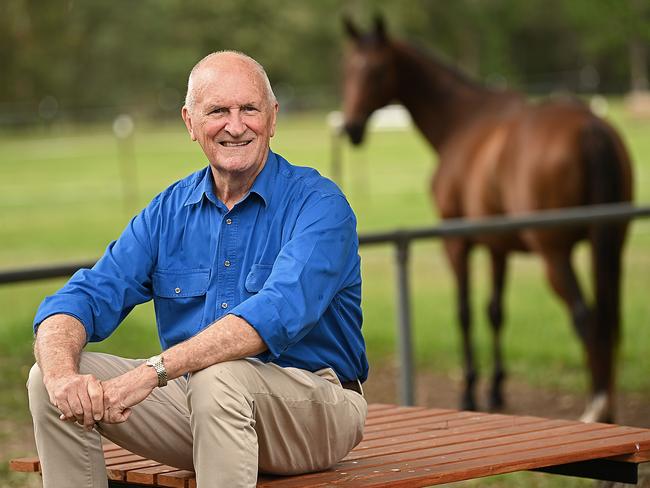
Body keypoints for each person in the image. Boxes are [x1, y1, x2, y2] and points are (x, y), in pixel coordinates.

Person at [27, 51, 369, 488]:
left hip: (317, 409)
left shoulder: (320, 205)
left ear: (273, 116)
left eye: (249, 109)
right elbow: (86, 296)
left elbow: (274, 313)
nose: (236, 125)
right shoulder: (168, 211)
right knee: (47, 380)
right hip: (202, 404)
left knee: (218, 376)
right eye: (218, 111)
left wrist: (153, 372)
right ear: (190, 122)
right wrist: (62, 377)